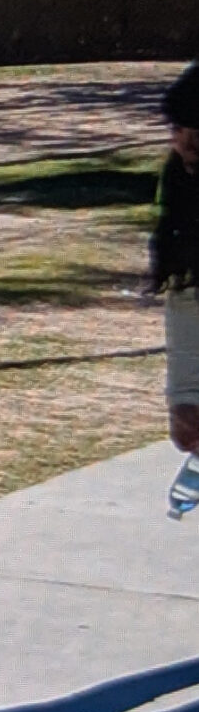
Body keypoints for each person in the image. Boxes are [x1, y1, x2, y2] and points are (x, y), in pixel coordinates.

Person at [151, 62, 199, 456]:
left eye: (193, 131)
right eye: (176, 130)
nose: (182, 143)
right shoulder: (179, 178)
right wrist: (183, 399)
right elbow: (183, 296)